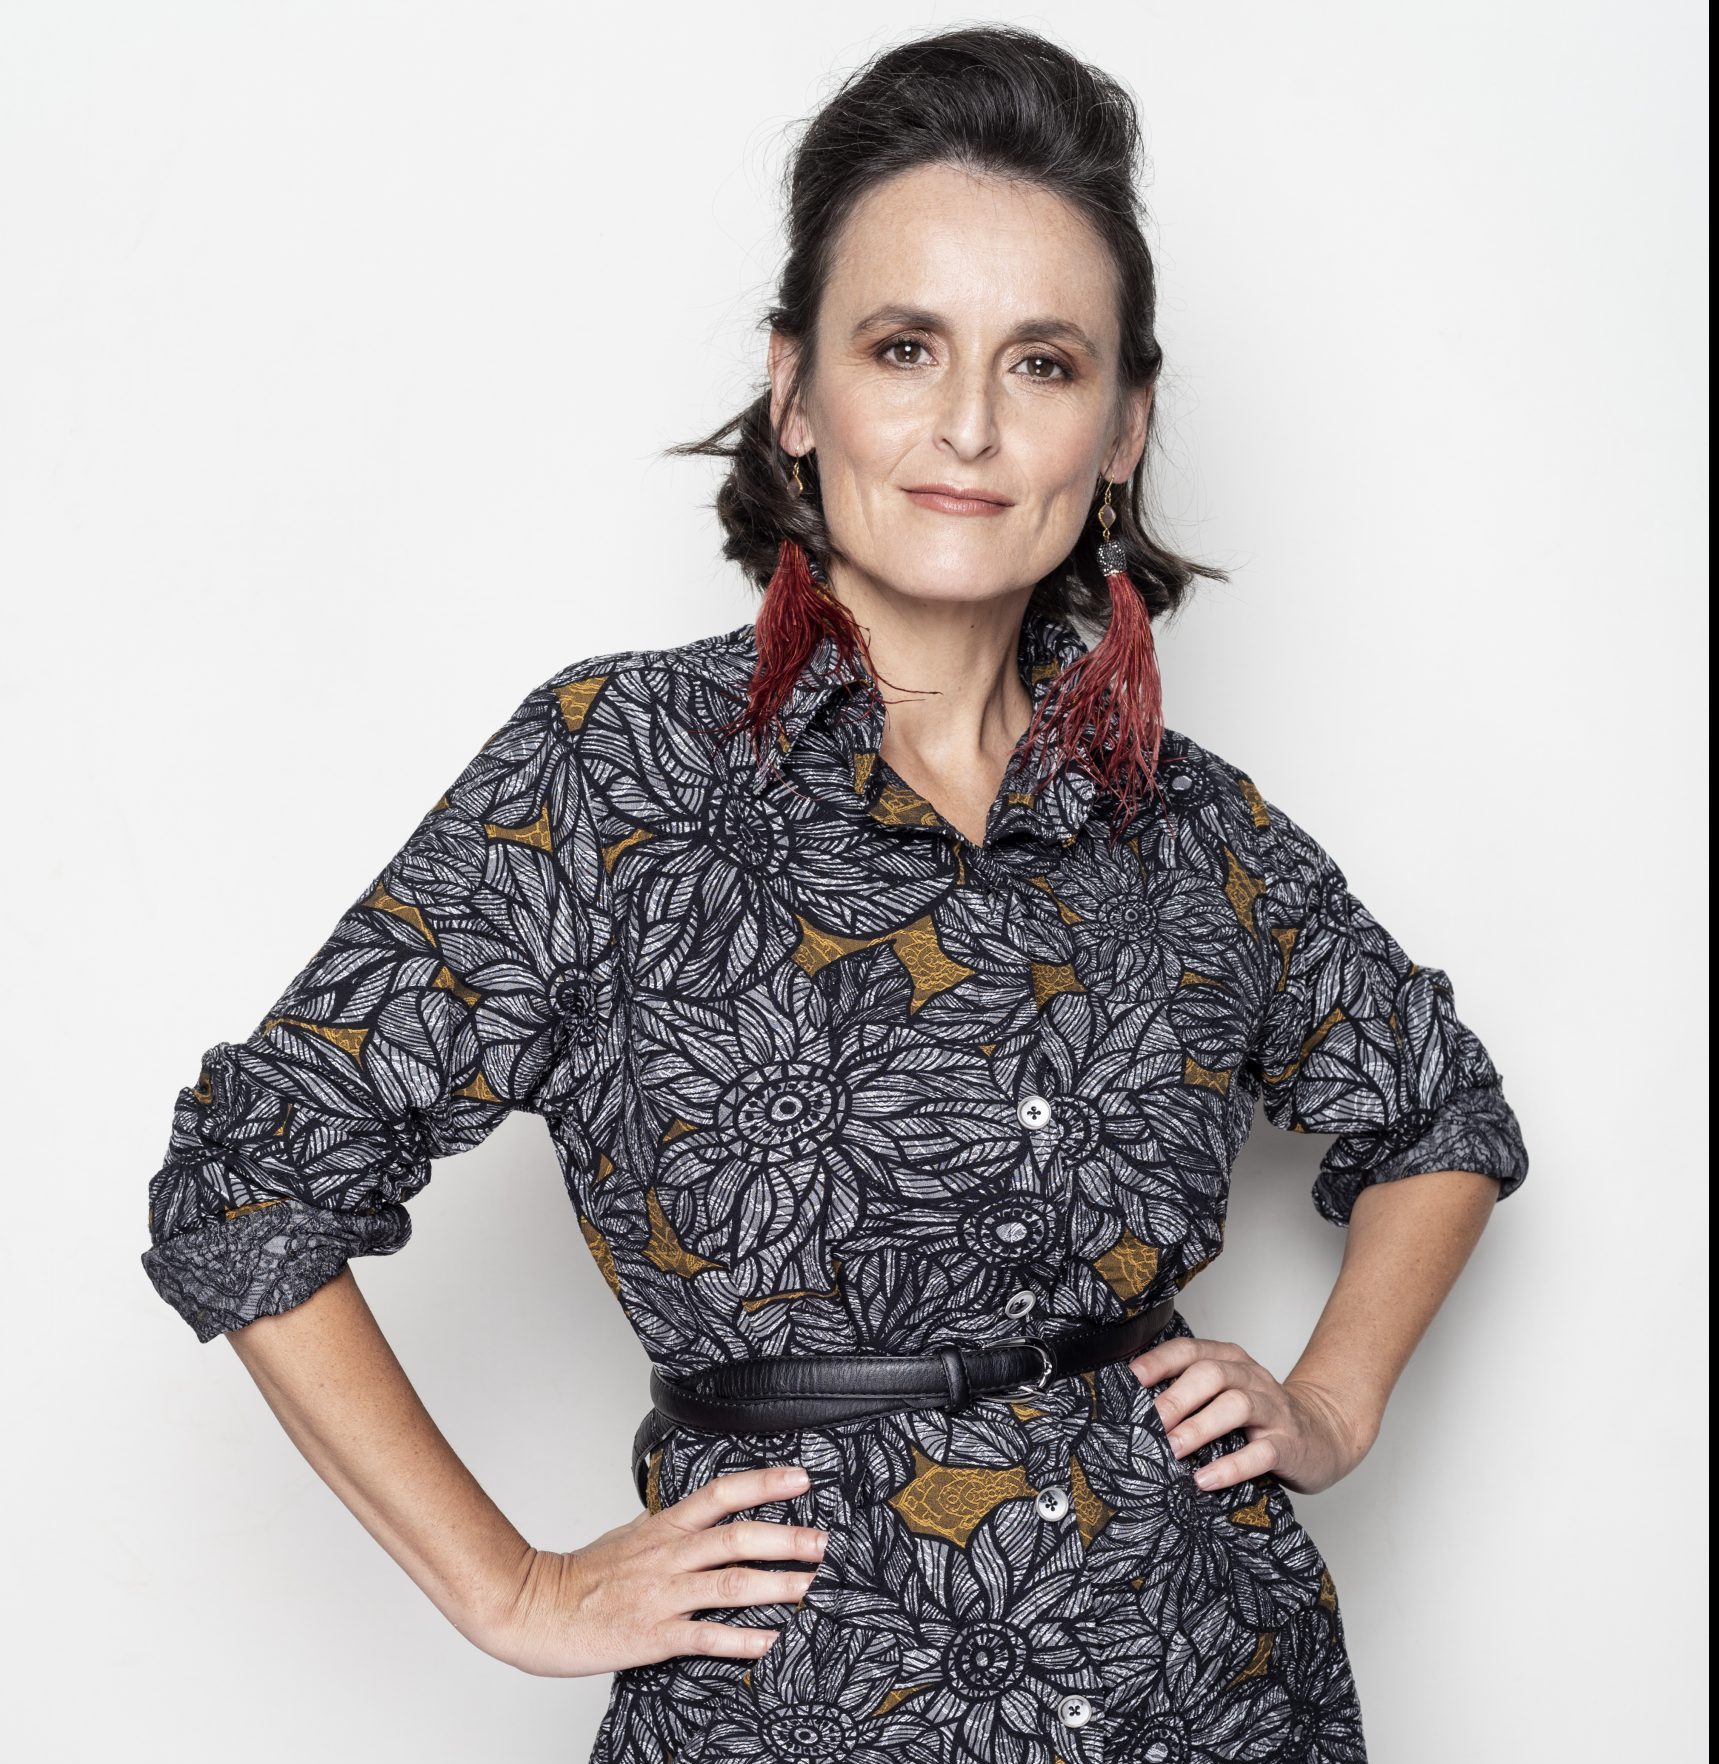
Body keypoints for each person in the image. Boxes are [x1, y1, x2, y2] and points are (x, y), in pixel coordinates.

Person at [140, 25, 1529, 1764]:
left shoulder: (1192, 829)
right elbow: (251, 1179)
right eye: (904, 347)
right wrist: (515, 1590)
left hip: (1212, 1688)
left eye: (1043, 363)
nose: (969, 425)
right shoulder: (613, 777)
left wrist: (1330, 1400)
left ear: (1122, 429)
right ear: (796, 392)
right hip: (802, 1710)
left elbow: (1438, 1114)